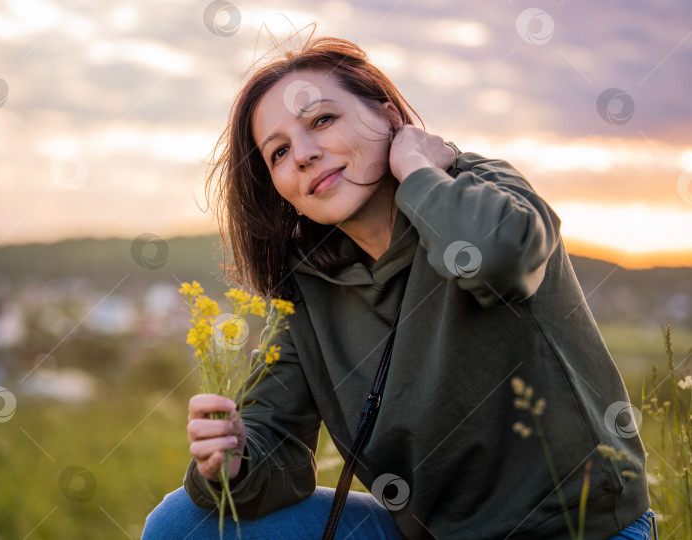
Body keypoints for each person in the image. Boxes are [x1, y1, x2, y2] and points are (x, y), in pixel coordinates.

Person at [142, 31, 655, 539]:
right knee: (182, 525)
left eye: (322, 119)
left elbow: (498, 260)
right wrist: (232, 463)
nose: (302, 155)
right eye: (277, 153)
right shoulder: (307, 288)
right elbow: (273, 439)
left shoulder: (478, 188)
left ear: (388, 116)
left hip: (577, 530)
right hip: (428, 535)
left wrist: (415, 167)